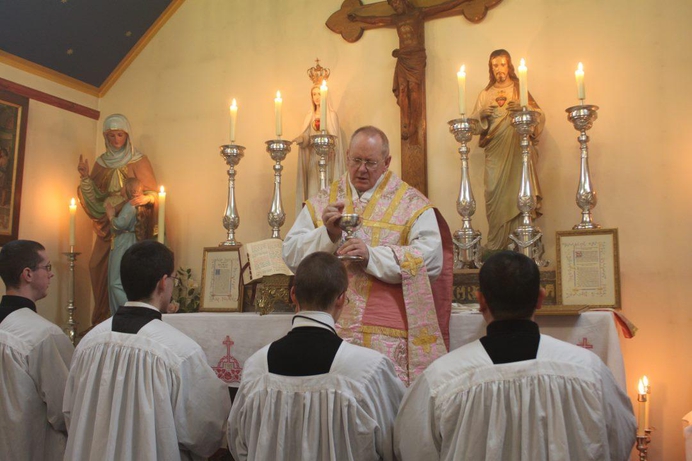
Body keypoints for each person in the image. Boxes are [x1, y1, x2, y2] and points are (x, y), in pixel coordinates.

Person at [394, 251, 637, 460]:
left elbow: (413, 448)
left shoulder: (441, 379)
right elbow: (620, 438)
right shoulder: (587, 370)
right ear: (541, 298)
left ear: (480, 301)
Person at [283, 125, 453, 385]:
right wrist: (327, 235)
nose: (361, 169)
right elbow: (291, 253)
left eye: (371, 163)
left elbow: (431, 259)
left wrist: (372, 257)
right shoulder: (324, 201)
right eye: (356, 160)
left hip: (385, 333)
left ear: (387, 162)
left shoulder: (411, 203)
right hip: (329, 328)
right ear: (348, 155)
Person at [228, 252, 405, 460]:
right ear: (341, 298)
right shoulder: (368, 369)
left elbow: (238, 443)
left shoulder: (256, 367)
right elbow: (398, 443)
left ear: (293, 294)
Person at [63, 240, 230, 461]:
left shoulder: (88, 343)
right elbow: (206, 431)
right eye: (172, 279)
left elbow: (71, 412)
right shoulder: (179, 350)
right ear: (163, 283)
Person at [77, 113, 158, 324]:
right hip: (108, 223)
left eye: (120, 135)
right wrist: (86, 178)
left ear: (127, 136)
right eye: (111, 136)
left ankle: (126, 317)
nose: (115, 140)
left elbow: (154, 193)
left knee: (125, 274)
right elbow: (95, 195)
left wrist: (145, 198)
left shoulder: (139, 160)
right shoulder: (101, 162)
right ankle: (104, 317)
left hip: (127, 224)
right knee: (96, 266)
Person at [0, 240, 74, 460]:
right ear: (28, 274)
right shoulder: (43, 335)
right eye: (47, 267)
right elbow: (67, 408)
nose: (51, 275)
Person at [470, 49, 545, 250]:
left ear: (509, 66)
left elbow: (538, 115)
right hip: (495, 152)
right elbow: (473, 126)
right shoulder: (485, 94)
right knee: (492, 190)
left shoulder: (520, 90)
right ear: (490, 68)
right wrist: (482, 115)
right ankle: (496, 243)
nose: (499, 69)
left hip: (517, 151)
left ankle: (520, 241)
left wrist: (523, 110)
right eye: (495, 65)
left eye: (502, 64)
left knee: (518, 190)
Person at [293, 80, 345, 214]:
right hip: (313, 160)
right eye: (313, 94)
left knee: (326, 190)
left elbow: (335, 139)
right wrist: (301, 139)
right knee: (313, 190)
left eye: (318, 94)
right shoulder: (309, 117)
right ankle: (313, 218)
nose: (316, 97)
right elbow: (307, 138)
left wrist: (330, 149)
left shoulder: (331, 115)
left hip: (328, 160)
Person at [104, 177, 145, 316]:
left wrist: (111, 216)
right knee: (117, 281)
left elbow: (120, 224)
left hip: (124, 242)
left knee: (116, 282)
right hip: (124, 241)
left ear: (128, 188)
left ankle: (126, 312)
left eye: (123, 187)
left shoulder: (130, 205)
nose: (120, 190)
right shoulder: (129, 204)